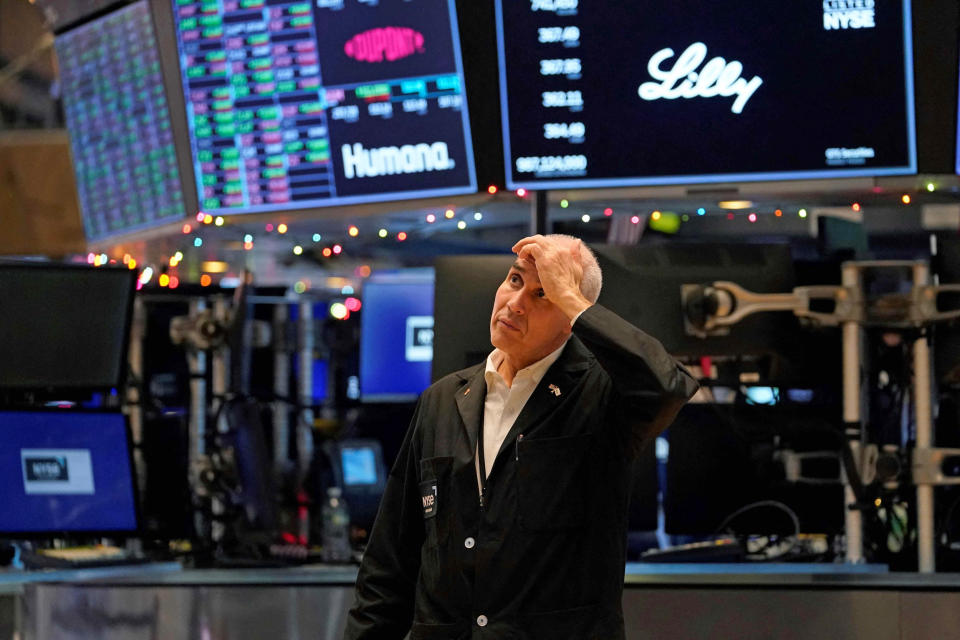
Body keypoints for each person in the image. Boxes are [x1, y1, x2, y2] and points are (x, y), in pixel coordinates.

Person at [345, 234, 698, 639]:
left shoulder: (601, 396)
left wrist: (573, 297)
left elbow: (668, 387)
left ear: (571, 315)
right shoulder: (441, 399)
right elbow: (390, 563)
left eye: (543, 294)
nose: (515, 303)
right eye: (514, 280)